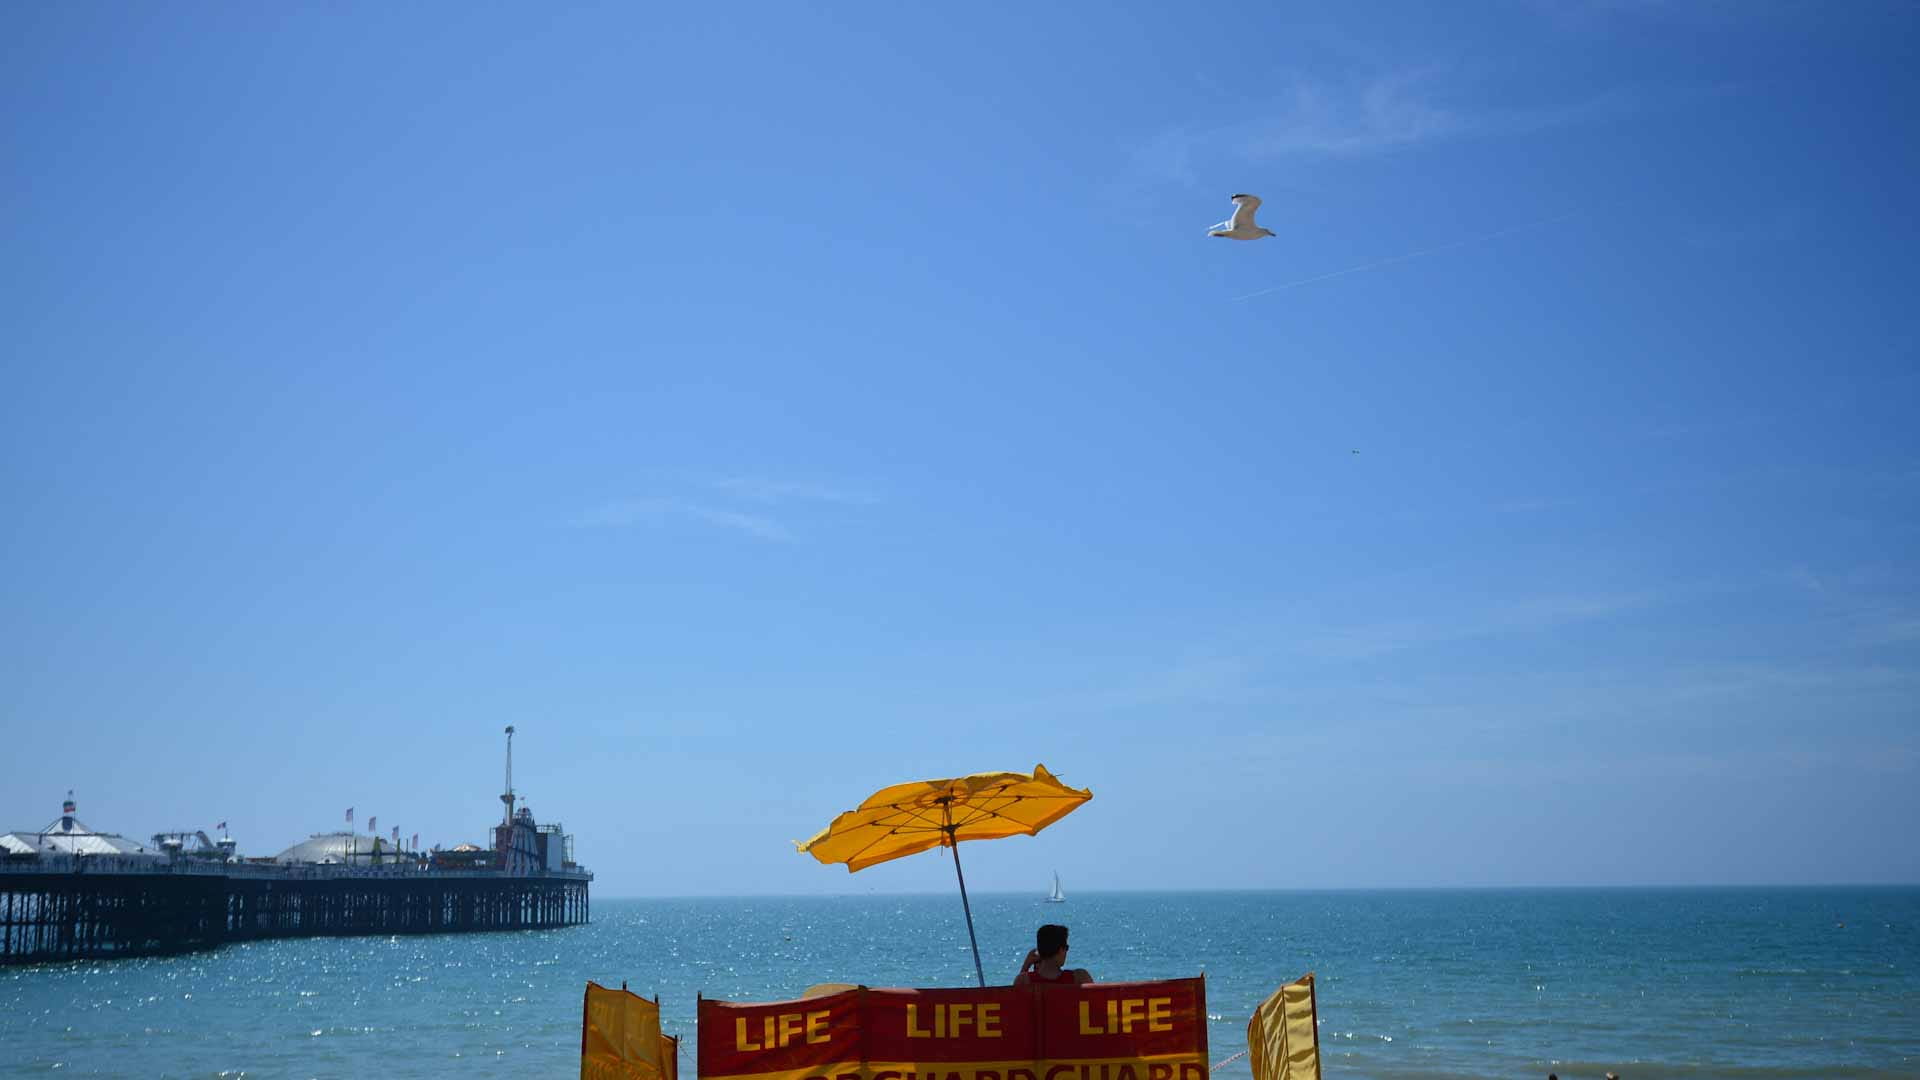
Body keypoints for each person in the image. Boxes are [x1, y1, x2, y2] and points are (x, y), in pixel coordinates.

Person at [1014, 924, 1093, 986]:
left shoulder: (1023, 980)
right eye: (1066, 948)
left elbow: (1015, 995)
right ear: (1061, 950)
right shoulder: (1080, 977)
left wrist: (1027, 964)